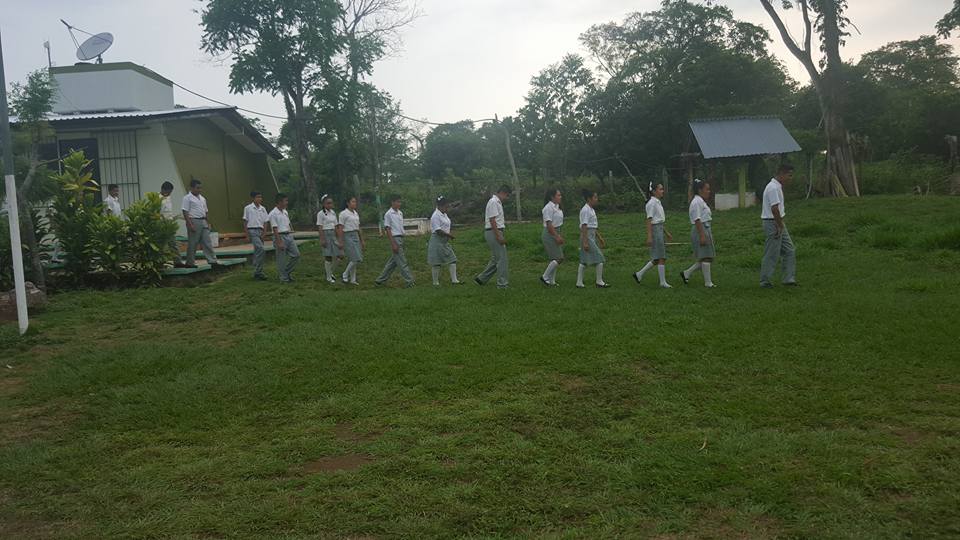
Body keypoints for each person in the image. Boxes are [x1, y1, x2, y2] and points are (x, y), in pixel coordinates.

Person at [760, 164, 798, 288]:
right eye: (789, 175)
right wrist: (779, 225)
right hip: (773, 222)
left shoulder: (777, 187)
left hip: (778, 221)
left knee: (789, 250)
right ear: (781, 174)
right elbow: (774, 209)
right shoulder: (773, 188)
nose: (790, 178)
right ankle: (765, 281)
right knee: (772, 253)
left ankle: (788, 278)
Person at [633, 182, 673, 288]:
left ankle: (639, 274)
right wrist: (649, 236)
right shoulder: (651, 203)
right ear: (654, 191)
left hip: (659, 229)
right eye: (660, 189)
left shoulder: (658, 202)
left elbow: (658, 220)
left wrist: (666, 232)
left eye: (662, 189)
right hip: (655, 231)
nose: (662, 191)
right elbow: (649, 220)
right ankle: (662, 282)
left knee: (656, 258)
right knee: (661, 257)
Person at [680, 179, 716, 288]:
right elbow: (697, 219)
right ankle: (708, 282)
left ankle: (687, 273)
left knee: (707, 256)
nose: (709, 191)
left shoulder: (701, 201)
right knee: (706, 257)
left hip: (705, 228)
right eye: (707, 189)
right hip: (700, 229)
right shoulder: (696, 202)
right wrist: (702, 236)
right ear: (700, 190)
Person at [474, 185, 511, 289]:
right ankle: (502, 284)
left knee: (496, 259)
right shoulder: (493, 202)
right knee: (502, 259)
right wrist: (498, 235)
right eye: (507, 195)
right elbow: (492, 220)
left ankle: (481, 278)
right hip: (493, 231)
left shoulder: (496, 202)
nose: (506, 198)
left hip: (494, 231)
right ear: (503, 193)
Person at [375, 195, 415, 287]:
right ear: (392, 202)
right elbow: (388, 229)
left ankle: (380, 280)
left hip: (401, 237)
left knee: (393, 262)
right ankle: (409, 280)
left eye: (400, 202)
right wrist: (393, 243)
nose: (399, 204)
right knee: (402, 261)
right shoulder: (388, 214)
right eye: (397, 202)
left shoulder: (400, 213)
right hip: (395, 238)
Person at [181, 179, 219, 268]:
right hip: (194, 220)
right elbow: (185, 211)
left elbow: (206, 211)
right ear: (191, 188)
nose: (199, 190)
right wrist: (190, 224)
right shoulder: (187, 198)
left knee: (207, 242)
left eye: (200, 188)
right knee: (193, 242)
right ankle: (190, 263)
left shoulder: (202, 198)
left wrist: (208, 222)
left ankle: (212, 261)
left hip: (203, 220)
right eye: (197, 188)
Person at [577, 189, 610, 288]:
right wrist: (585, 242)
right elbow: (584, 226)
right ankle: (599, 281)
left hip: (591, 235)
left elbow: (593, 226)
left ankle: (579, 282)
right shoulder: (585, 210)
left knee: (584, 260)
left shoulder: (591, 210)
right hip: (587, 236)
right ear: (589, 199)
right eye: (595, 197)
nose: (597, 199)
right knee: (599, 258)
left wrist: (599, 237)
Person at [427, 196, 462, 286]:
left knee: (452, 259)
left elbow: (446, 225)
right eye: (445, 206)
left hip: (444, 241)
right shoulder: (435, 216)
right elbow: (438, 230)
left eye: (447, 206)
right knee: (436, 262)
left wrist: (449, 233)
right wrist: (449, 235)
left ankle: (454, 280)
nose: (447, 208)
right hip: (437, 240)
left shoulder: (444, 214)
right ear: (439, 206)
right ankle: (435, 283)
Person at [268, 193, 299, 283]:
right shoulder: (273, 214)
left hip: (288, 235)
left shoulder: (285, 212)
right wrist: (279, 241)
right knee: (281, 259)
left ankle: (286, 272)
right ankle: (284, 278)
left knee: (296, 255)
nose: (287, 203)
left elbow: (287, 224)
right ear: (279, 202)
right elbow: (275, 228)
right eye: (285, 201)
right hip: (279, 236)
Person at [242, 191, 270, 281]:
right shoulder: (248, 208)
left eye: (260, 197)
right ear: (253, 198)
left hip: (260, 230)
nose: (260, 199)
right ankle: (258, 270)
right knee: (261, 249)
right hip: (252, 230)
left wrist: (264, 232)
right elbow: (245, 221)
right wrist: (247, 234)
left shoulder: (263, 208)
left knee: (258, 251)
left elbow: (265, 221)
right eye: (257, 197)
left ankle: (258, 271)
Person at [337, 196, 365, 285]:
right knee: (355, 257)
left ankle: (353, 279)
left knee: (355, 258)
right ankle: (345, 274)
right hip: (348, 235)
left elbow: (358, 227)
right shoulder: (343, 214)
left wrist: (362, 239)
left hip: (355, 235)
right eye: (353, 201)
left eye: (355, 202)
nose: (355, 203)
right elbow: (340, 228)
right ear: (348, 203)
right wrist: (340, 241)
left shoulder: (355, 213)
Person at [540, 188, 564, 287]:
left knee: (554, 258)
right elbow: (549, 225)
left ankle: (552, 281)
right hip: (550, 234)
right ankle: (545, 276)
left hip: (556, 231)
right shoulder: (548, 208)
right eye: (558, 195)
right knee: (559, 258)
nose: (560, 197)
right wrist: (556, 236)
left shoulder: (557, 207)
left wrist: (559, 234)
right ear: (552, 197)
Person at [316, 194, 342, 284]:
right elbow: (320, 227)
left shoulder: (333, 212)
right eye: (328, 203)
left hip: (333, 234)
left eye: (331, 203)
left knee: (339, 255)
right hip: (326, 233)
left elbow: (336, 225)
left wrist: (339, 238)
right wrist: (322, 239)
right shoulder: (321, 214)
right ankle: (328, 277)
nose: (330, 205)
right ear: (323, 204)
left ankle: (330, 272)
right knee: (328, 256)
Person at [159, 181, 185, 268]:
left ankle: (177, 262)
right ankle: (159, 263)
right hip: (161, 224)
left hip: (169, 224)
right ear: (163, 189)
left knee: (173, 243)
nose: (170, 194)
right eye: (168, 191)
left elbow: (168, 212)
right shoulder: (158, 198)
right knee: (161, 245)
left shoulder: (168, 198)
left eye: (170, 192)